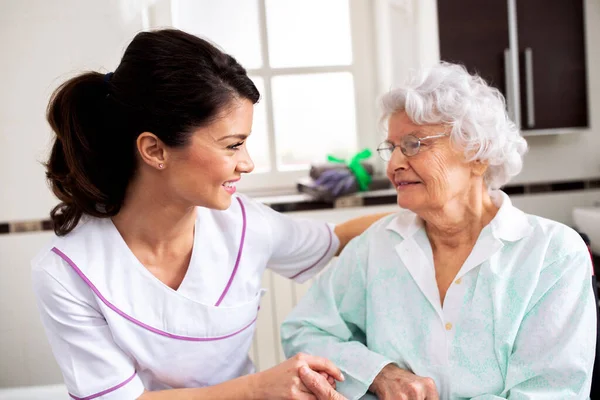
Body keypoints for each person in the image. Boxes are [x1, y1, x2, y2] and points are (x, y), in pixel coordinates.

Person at [32, 28, 382, 400]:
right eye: (233, 145)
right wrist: (260, 387)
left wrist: (438, 210)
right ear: (154, 150)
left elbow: (340, 238)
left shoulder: (247, 225)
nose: (246, 164)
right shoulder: (67, 272)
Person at [281, 62, 597, 399]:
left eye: (414, 144)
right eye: (392, 148)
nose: (393, 165)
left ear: (478, 153)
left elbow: (550, 392)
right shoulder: (377, 246)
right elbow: (305, 331)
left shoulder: (553, 254)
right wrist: (380, 374)